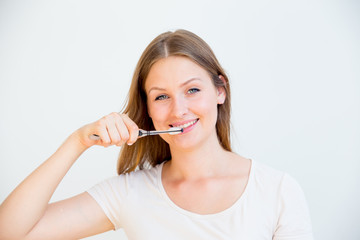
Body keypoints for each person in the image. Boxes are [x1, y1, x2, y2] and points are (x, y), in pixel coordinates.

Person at [0, 29, 313, 240]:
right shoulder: (129, 193)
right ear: (147, 108)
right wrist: (77, 142)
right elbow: (10, 232)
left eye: (192, 90)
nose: (179, 110)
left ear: (220, 90)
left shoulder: (277, 191)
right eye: (161, 96)